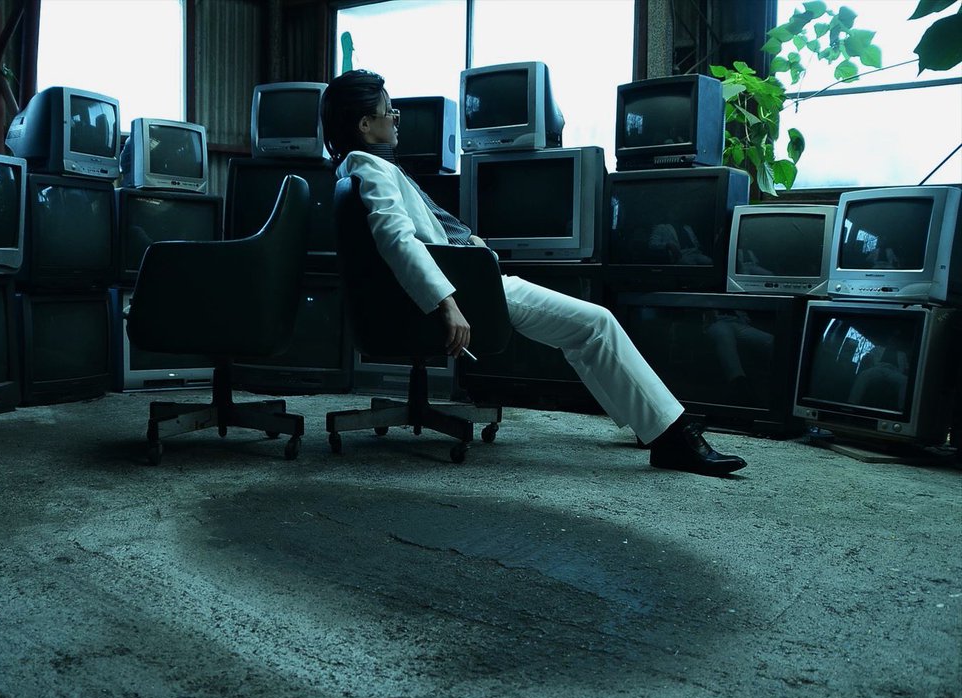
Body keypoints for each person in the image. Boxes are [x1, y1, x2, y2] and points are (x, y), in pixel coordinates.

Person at [320, 69, 747, 477]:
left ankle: (653, 421)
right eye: (389, 112)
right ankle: (672, 438)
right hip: (466, 291)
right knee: (596, 323)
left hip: (466, 282)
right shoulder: (371, 168)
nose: (396, 119)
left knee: (585, 331)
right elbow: (397, 241)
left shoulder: (357, 169)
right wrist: (446, 303)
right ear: (364, 124)